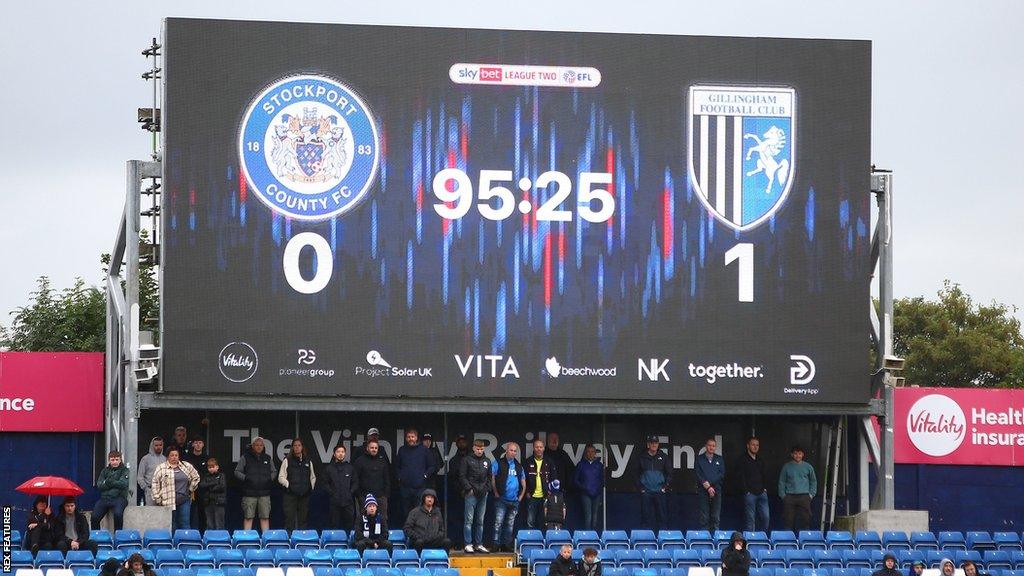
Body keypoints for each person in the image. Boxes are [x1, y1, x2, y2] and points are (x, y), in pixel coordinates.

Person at [151, 446, 201, 530]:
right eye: (172, 455)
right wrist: (158, 498)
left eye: (176, 455)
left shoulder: (186, 465)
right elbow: (155, 483)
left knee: (185, 523)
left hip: (184, 500)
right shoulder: (161, 468)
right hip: (168, 501)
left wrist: (191, 488)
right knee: (172, 525)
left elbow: (196, 477)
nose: (174, 457)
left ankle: (185, 542)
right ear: (167, 457)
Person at [235, 436, 276, 532]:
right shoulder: (245, 457)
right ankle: (246, 540)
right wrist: (247, 479)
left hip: (264, 494)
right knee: (248, 517)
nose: (259, 447)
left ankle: (266, 540)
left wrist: (269, 479)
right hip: (249, 494)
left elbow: (274, 471)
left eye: (261, 445)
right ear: (252, 446)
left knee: (265, 518)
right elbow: (237, 472)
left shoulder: (267, 458)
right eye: (257, 445)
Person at [491, 441, 526, 552]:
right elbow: (492, 478)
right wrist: (496, 492)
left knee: (510, 524)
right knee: (498, 522)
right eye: (511, 450)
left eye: (515, 451)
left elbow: (523, 482)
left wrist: (521, 496)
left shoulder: (518, 466)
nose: (513, 452)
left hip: (514, 500)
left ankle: (506, 545)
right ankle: (496, 544)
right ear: (506, 451)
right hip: (501, 499)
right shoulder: (498, 463)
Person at [459, 438, 492, 553]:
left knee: (480, 521)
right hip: (471, 494)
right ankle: (468, 543)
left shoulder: (487, 461)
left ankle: (479, 544)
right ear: (473, 448)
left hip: (483, 494)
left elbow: (489, 477)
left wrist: (487, 489)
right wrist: (469, 489)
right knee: (469, 520)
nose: (479, 451)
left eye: (481, 449)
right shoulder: (466, 460)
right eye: (477, 448)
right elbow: (462, 476)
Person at [396, 428, 436, 520]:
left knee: (419, 512)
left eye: (412, 437)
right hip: (405, 487)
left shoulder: (424, 450)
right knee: (405, 512)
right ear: (406, 438)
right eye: (409, 437)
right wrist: (400, 477)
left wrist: (424, 476)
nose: (411, 439)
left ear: (416, 438)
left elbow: (432, 466)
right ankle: (407, 532)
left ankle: (417, 532)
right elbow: (397, 466)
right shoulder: (402, 450)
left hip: (419, 488)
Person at [634, 435, 671, 531]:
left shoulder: (664, 457)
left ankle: (663, 541)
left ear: (658, 444)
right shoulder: (641, 457)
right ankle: (645, 541)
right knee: (645, 518)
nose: (654, 445)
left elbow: (670, 473)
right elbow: (635, 474)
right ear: (648, 444)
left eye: (656, 443)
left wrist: (664, 487)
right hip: (646, 492)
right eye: (652, 443)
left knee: (662, 518)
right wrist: (641, 488)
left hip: (659, 491)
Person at [279, 437, 317, 531]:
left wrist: (310, 487)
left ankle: (302, 540)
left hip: (304, 495)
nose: (297, 447)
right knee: (289, 520)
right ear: (292, 447)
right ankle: (289, 541)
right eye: (295, 445)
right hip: (290, 495)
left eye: (299, 445)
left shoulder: (308, 461)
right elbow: (281, 477)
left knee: (303, 520)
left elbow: (313, 477)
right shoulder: (287, 460)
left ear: (302, 447)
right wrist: (289, 486)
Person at [778, 444, 817, 532]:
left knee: (805, 520)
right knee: (788, 520)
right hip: (789, 496)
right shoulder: (786, 467)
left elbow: (813, 481)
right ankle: (788, 541)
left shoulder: (808, 467)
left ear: (803, 454)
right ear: (792, 455)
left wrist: (811, 495)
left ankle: (804, 541)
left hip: (804, 497)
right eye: (795, 453)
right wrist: (783, 496)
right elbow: (782, 481)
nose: (797, 456)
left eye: (799, 453)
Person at [736, 436, 769, 531]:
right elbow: (740, 477)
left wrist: (765, 488)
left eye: (757, 445)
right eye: (753, 445)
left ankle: (762, 538)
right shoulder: (742, 459)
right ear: (748, 446)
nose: (755, 447)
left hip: (762, 493)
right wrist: (746, 491)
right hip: (750, 494)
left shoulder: (760, 460)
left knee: (766, 518)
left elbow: (764, 475)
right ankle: (751, 540)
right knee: (750, 520)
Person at [354, 439, 391, 523]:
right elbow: (355, 479)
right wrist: (359, 495)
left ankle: (382, 536)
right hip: (364, 497)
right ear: (367, 448)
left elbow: (386, 479)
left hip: (380, 497)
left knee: (382, 520)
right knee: (363, 520)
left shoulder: (382, 461)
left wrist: (385, 494)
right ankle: (364, 536)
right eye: (372, 448)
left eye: (376, 448)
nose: (374, 449)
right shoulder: (360, 461)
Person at [93, 450, 130, 530]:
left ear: (120, 460)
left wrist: (108, 482)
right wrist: (113, 483)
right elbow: (99, 485)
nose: (115, 462)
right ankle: (96, 537)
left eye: (117, 459)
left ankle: (117, 536)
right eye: (112, 460)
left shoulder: (125, 470)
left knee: (118, 515)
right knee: (94, 517)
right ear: (109, 460)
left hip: (119, 498)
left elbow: (123, 484)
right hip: (105, 498)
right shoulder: (104, 471)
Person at [324, 444, 357, 531]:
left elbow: (355, 482)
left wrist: (350, 492)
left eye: (342, 452)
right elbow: (325, 483)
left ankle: (349, 543)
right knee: (333, 525)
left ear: (345, 454)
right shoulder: (329, 468)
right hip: (334, 502)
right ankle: (333, 543)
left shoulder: (350, 468)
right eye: (338, 452)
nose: (340, 454)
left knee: (349, 525)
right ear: (334, 454)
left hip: (348, 502)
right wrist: (332, 493)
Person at [694, 437, 724, 531]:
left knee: (716, 517)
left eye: (713, 446)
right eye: (709, 445)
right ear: (706, 446)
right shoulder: (699, 459)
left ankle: (716, 539)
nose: (711, 447)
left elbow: (721, 474)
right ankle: (705, 539)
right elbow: (698, 474)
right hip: (703, 490)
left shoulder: (719, 459)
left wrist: (710, 485)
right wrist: (707, 486)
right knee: (704, 517)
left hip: (716, 490)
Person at [574, 444, 605, 531]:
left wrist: (599, 492)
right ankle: (587, 537)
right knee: (588, 516)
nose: (590, 454)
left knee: (595, 517)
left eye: (592, 452)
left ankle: (594, 536)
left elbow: (602, 480)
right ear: (585, 453)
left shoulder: (599, 465)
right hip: (585, 494)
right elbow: (575, 480)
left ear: (595, 453)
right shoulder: (581, 464)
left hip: (597, 494)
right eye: (588, 452)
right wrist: (584, 488)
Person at [182, 436, 209, 531]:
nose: (198, 445)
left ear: (203, 445)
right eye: (196, 442)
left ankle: (202, 535)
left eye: (200, 443)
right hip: (190, 490)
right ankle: (189, 534)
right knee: (189, 513)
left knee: (203, 513)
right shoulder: (187, 458)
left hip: (203, 490)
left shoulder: (206, 458)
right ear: (193, 444)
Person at [524, 438, 552, 529]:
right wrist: (527, 491)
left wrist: (550, 491)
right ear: (533, 448)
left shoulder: (549, 462)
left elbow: (554, 478)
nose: (539, 449)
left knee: (544, 521)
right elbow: (523, 478)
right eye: (537, 447)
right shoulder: (528, 462)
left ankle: (542, 542)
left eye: (541, 447)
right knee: (530, 521)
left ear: (544, 448)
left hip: (544, 496)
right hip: (532, 497)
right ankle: (530, 542)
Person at [199, 458, 227, 530]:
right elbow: (202, 485)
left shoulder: (221, 475)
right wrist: (214, 483)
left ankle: (220, 539)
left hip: (219, 503)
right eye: (209, 467)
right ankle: (210, 538)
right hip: (208, 503)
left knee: (219, 523)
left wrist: (210, 487)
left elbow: (222, 486)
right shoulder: (206, 476)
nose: (211, 469)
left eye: (213, 467)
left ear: (217, 467)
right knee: (209, 523)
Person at [137, 437, 166, 505]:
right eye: (156, 445)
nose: (158, 447)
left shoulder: (165, 459)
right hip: (150, 491)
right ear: (152, 446)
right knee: (150, 513)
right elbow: (140, 477)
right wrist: (146, 489)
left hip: (163, 492)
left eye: (160, 445)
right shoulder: (145, 459)